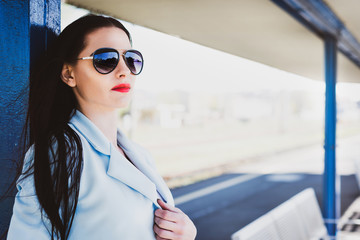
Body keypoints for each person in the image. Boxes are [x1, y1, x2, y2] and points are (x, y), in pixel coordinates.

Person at [6, 14, 196, 240]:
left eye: (131, 59)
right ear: (69, 74)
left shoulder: (139, 155)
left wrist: (184, 233)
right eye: (106, 60)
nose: (124, 70)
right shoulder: (59, 153)